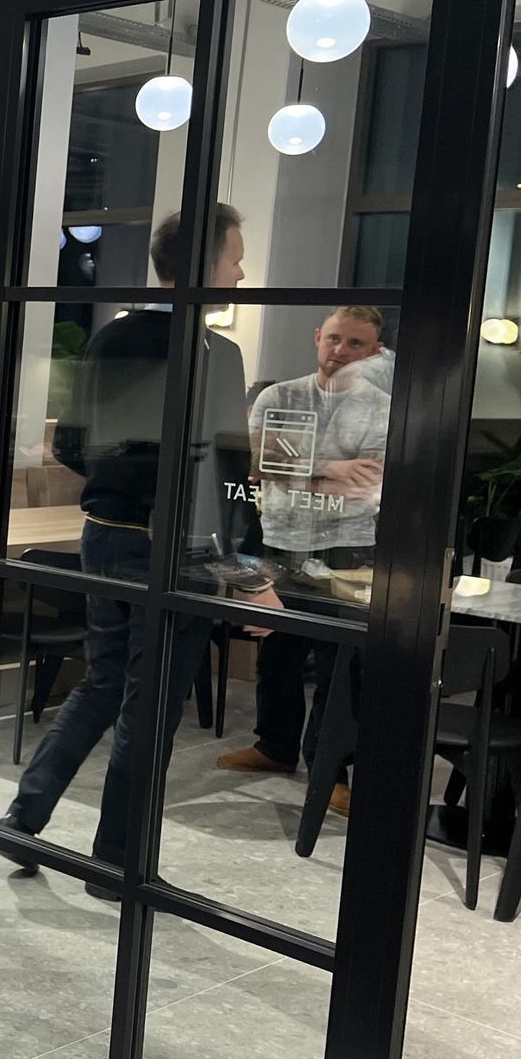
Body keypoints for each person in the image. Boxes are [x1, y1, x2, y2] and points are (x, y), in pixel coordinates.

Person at [0, 205, 279, 890]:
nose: (241, 273)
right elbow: (225, 475)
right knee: (149, 706)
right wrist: (252, 575)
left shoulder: (112, 337)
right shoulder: (214, 353)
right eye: (235, 259)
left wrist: (119, 481)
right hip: (174, 547)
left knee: (103, 683)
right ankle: (115, 861)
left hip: (105, 535)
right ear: (204, 264)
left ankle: (23, 819)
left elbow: (72, 444)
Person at [216, 306, 390, 818]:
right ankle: (274, 746)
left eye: (356, 344)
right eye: (334, 338)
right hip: (280, 539)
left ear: (375, 352)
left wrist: (298, 467)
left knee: (340, 665)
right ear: (318, 337)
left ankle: (329, 771)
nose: (341, 350)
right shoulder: (278, 396)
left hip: (348, 546)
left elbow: (366, 483)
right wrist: (332, 466)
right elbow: (259, 464)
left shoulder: (381, 408)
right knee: (277, 652)